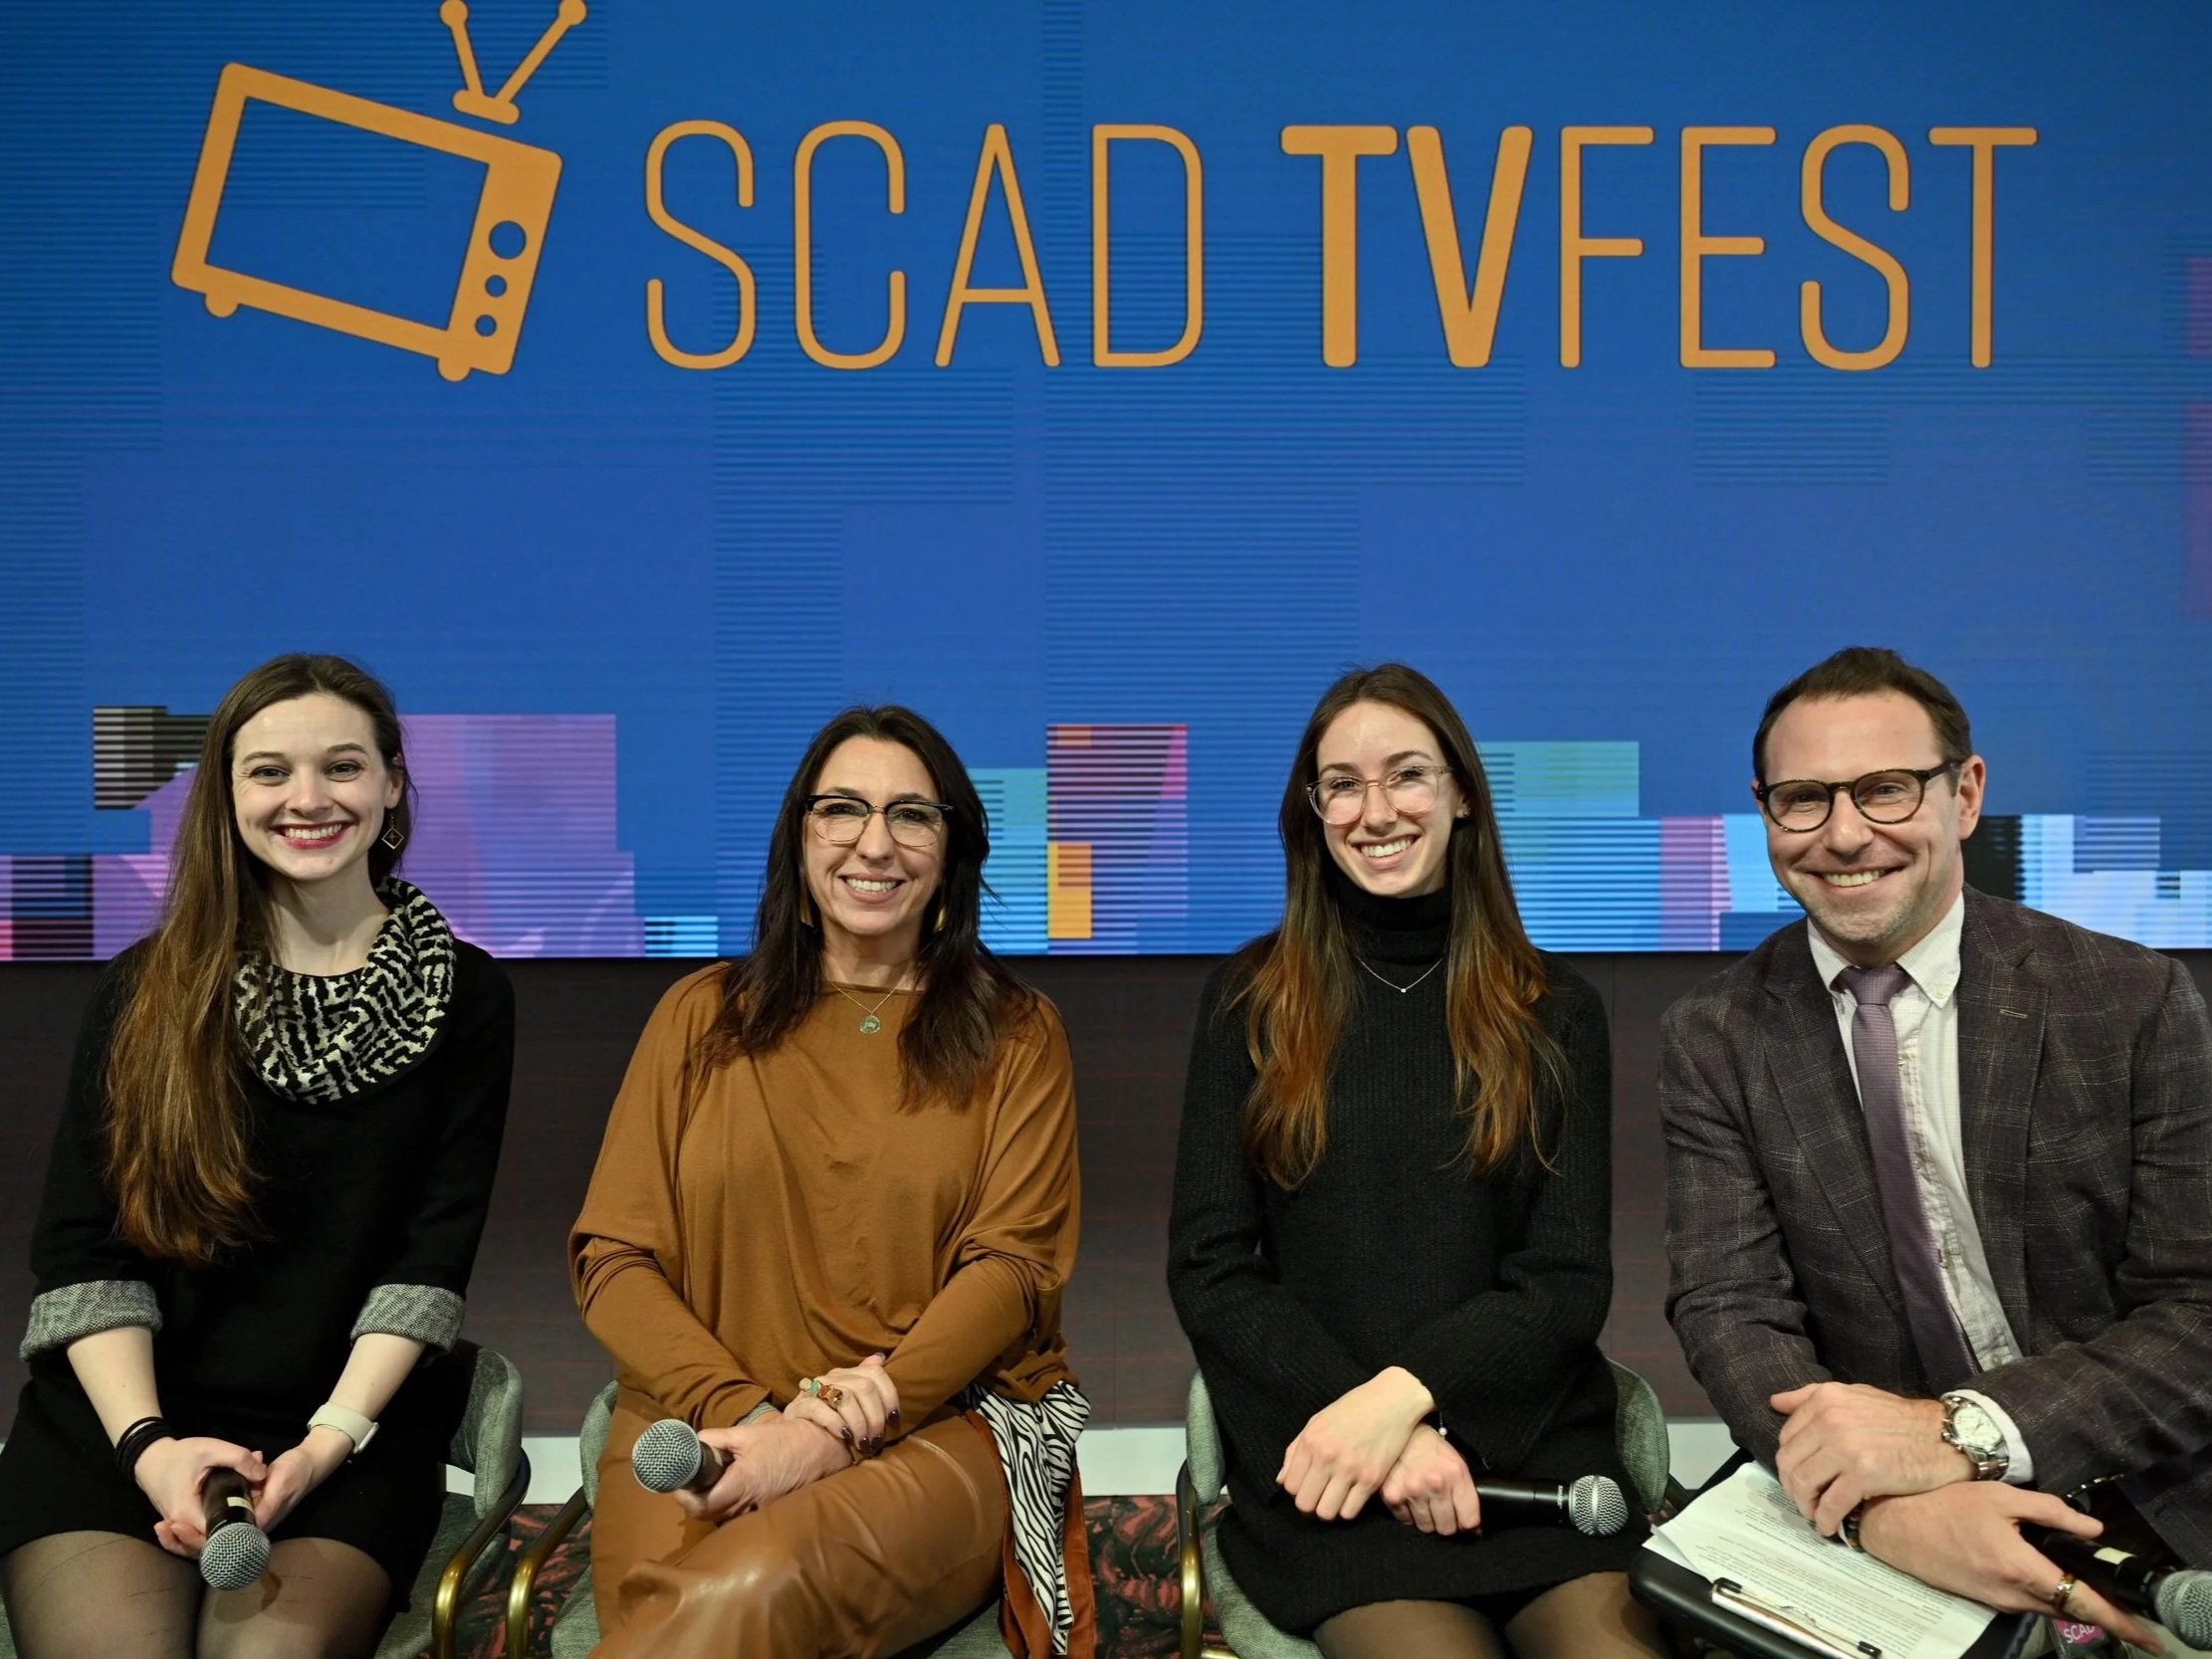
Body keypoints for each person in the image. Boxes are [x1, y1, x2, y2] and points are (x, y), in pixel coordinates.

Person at [1660, 645, 2212, 1650]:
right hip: (1888, 1525)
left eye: (1882, 789)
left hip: (2150, 1485)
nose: (1842, 833)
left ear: (1963, 794)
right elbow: (1728, 1308)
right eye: (1802, 799)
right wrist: (1883, 1509)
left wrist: (1961, 1433)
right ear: (1762, 810)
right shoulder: (1715, 1034)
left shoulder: (2131, 1002)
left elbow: (2199, 1310)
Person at [0, 654, 515, 1659]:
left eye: (343, 766)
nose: (308, 799)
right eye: (269, 771)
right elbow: (84, 1257)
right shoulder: (145, 988)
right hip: (120, 1428)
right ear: (225, 793)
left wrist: (323, 1447)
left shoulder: (469, 997)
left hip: (343, 1435)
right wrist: (152, 1452)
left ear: (393, 781)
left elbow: (425, 1265)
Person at [1167, 664, 1666, 1659]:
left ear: (1461, 794)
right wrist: (1363, 1432)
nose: (1373, 809)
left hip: (1524, 1456)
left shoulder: (1554, 1010)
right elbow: (1212, 1269)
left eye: (1404, 774)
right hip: (1326, 1472)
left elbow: (1562, 1281)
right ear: (1310, 812)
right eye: (1340, 784)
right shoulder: (1246, 1001)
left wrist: (1402, 1402)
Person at [570, 705, 1092, 1659]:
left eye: (912, 815)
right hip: (703, 1416)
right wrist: (751, 1416)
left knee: (745, 1588)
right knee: (669, 1609)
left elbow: (1013, 1271)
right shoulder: (697, 1016)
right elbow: (615, 1255)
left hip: (934, 1425)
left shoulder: (1019, 1035)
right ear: (800, 837)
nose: (873, 841)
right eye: (841, 809)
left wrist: (832, 1432)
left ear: (952, 848)